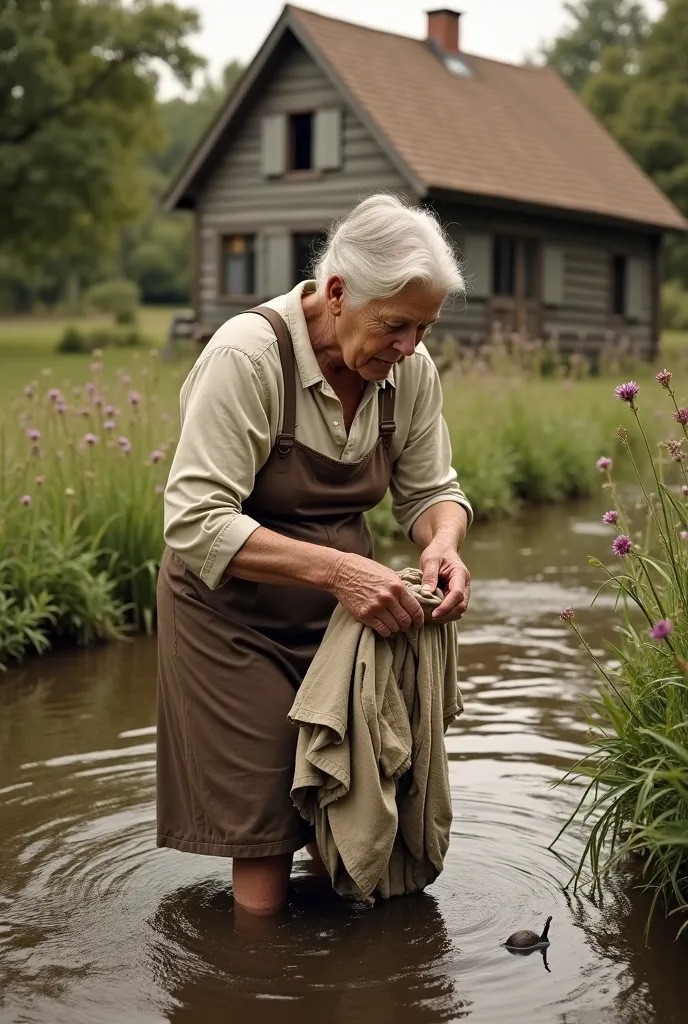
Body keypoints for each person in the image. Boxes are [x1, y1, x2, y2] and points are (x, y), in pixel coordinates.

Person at [156, 193, 473, 916]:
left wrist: (445, 545)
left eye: (424, 327)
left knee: (345, 793)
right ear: (337, 293)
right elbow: (196, 520)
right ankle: (261, 976)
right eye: (395, 324)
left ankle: (343, 969)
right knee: (266, 817)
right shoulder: (246, 356)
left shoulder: (410, 371)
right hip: (228, 616)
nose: (409, 347)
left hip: (339, 618)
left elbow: (432, 493)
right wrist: (340, 571)